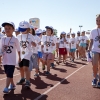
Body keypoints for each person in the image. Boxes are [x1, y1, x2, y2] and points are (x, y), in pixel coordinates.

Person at [1, 22, 21, 93]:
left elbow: (19, 49)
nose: (7, 30)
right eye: (6, 28)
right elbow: (1, 49)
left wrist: (19, 58)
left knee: (9, 73)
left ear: (13, 30)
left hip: (12, 60)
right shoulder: (2, 39)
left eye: (9, 28)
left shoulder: (15, 39)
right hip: (5, 60)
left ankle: (6, 87)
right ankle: (12, 85)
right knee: (8, 73)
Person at [16, 21, 36, 88]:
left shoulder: (31, 36)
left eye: (23, 30)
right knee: (21, 67)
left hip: (27, 53)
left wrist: (34, 44)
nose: (21, 31)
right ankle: (22, 78)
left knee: (26, 67)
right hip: (20, 54)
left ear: (27, 29)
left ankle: (28, 81)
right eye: (20, 30)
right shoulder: (18, 36)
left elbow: (34, 45)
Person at [89, 14, 100, 87]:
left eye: (99, 20)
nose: (98, 21)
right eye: (96, 20)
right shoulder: (93, 30)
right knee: (94, 64)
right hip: (95, 50)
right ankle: (95, 78)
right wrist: (88, 49)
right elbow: (91, 41)